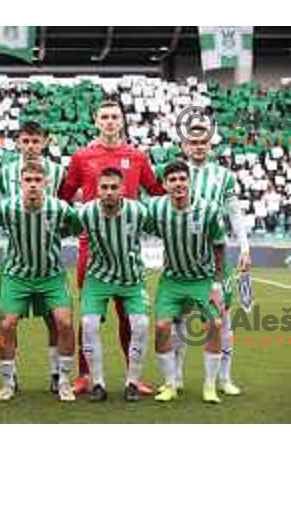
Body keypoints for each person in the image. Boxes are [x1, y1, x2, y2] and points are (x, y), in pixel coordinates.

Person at [59, 98, 163, 395]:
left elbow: (155, 192)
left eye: (114, 116)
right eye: (103, 116)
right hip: (90, 247)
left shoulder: (137, 156)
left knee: (129, 315)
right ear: (95, 121)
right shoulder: (82, 157)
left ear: (122, 121)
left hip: (127, 246)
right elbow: (64, 195)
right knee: (89, 314)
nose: (109, 122)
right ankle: (83, 374)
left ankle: (134, 376)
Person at [0, 159, 77, 402]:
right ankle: (8, 381)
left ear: (46, 183)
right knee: (6, 325)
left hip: (51, 275)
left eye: (38, 180)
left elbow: (75, 226)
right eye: (28, 181)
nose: (33, 185)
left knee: (65, 323)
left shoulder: (60, 208)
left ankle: (63, 380)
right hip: (17, 276)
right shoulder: (7, 208)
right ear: (20, 183)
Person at [173, 121, 252, 395]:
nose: (198, 146)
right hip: (183, 256)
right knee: (180, 317)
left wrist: (244, 247)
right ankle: (177, 376)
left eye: (202, 142)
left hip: (215, 256)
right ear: (185, 145)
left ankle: (224, 378)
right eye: (192, 142)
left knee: (222, 318)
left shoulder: (223, 176)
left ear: (210, 144)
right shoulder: (176, 175)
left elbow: (234, 213)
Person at [146, 161, 226, 404]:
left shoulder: (208, 210)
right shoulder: (155, 208)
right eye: (172, 180)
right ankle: (170, 384)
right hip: (172, 280)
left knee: (215, 324)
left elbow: (219, 245)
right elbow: (140, 228)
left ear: (189, 182)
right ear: (164, 185)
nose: (178, 184)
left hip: (202, 280)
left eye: (182, 179)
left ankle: (210, 385)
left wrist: (217, 284)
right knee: (161, 327)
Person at [0, 120, 65, 393]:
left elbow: (65, 209)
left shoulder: (59, 172)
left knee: (55, 320)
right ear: (18, 142)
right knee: (7, 323)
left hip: (49, 261)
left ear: (45, 142)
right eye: (25, 141)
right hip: (16, 260)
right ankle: (9, 377)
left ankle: (55, 374)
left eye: (35, 141)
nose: (30, 146)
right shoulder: (3, 173)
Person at [76, 167, 151, 403]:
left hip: (131, 278)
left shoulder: (139, 211)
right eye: (104, 187)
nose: (109, 192)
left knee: (140, 325)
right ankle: (97, 383)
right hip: (98, 277)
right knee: (88, 324)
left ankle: (132, 382)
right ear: (97, 190)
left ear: (123, 190)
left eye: (114, 187)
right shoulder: (85, 213)